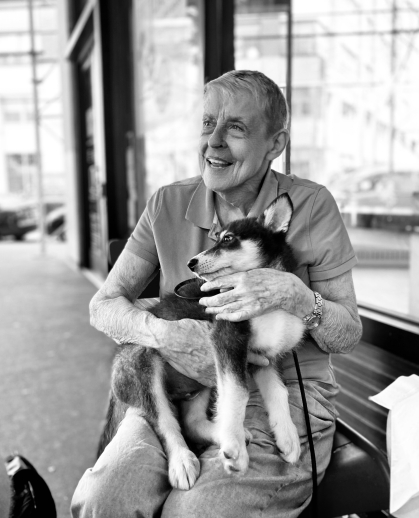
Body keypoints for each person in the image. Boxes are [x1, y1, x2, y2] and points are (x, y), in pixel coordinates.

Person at [71, 70, 362, 518]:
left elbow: (346, 333)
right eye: (208, 123)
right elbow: (103, 306)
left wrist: (298, 295)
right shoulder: (167, 202)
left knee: (196, 512)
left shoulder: (311, 205)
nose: (214, 142)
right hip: (178, 385)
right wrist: (167, 336)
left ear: (276, 143)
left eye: (237, 128)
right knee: (104, 501)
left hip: (282, 391)